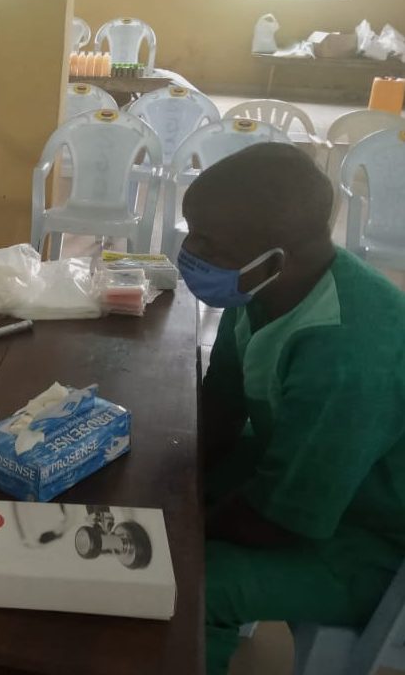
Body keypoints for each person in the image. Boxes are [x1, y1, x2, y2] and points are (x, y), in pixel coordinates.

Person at [177, 143, 405, 675]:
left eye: (209, 243)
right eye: (192, 231)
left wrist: (184, 530)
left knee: (189, 582)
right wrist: (171, 485)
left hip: (374, 543)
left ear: (277, 257)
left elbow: (285, 520)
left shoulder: (346, 353)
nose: (190, 250)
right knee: (159, 481)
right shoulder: (268, 288)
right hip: (318, 480)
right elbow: (222, 404)